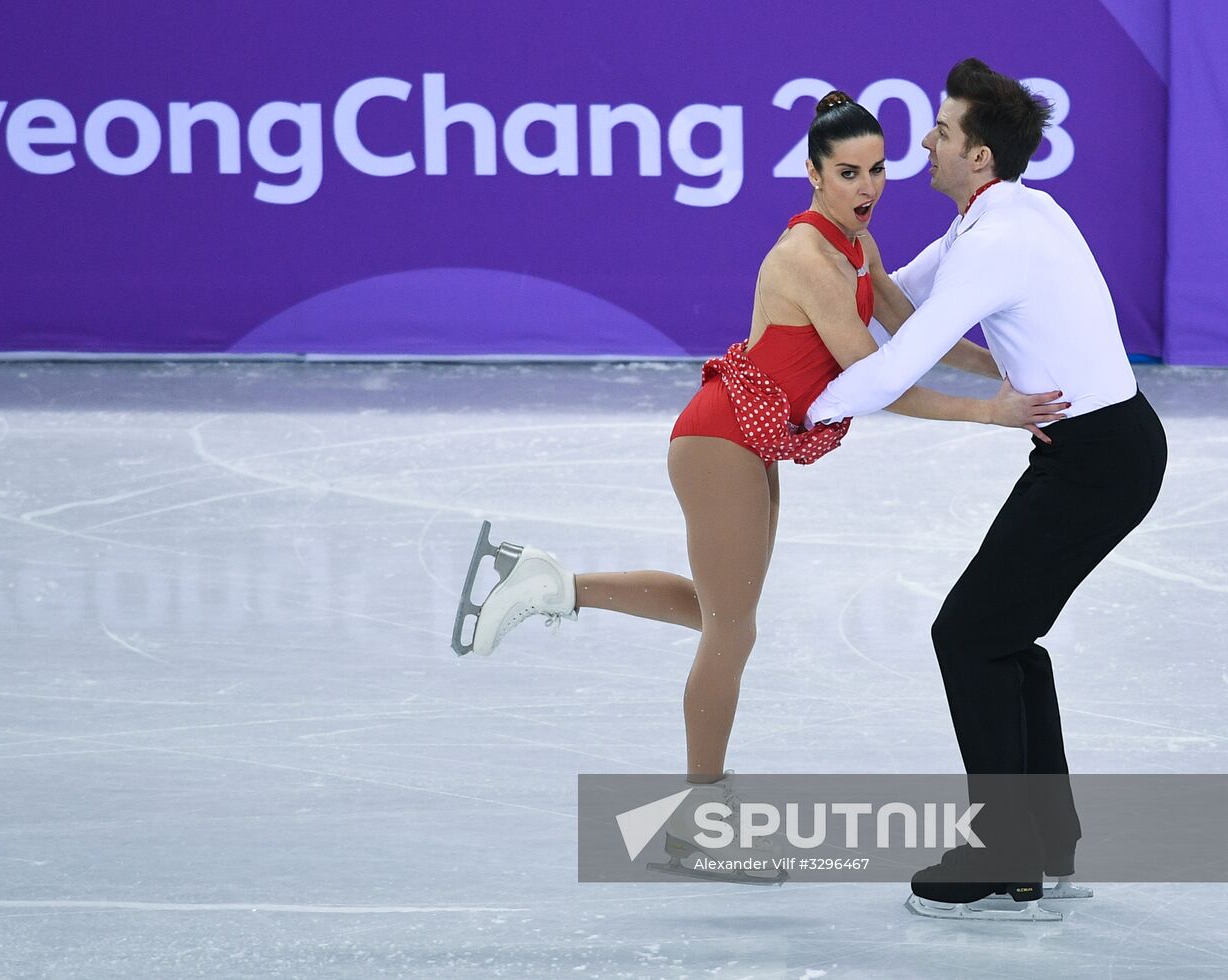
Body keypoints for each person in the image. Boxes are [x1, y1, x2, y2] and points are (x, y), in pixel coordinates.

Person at [451, 91, 1064, 884]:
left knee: (721, 615)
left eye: (877, 170)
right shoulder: (805, 258)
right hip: (719, 442)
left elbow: (915, 327)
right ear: (813, 174)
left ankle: (550, 584)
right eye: (848, 173)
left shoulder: (857, 245)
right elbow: (874, 377)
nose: (867, 187)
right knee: (732, 630)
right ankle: (696, 823)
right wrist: (993, 414)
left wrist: (1004, 361)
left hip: (750, 442)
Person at [803, 59, 1168, 919]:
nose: (924, 140)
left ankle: (1002, 851)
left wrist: (796, 414)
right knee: (1003, 638)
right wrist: (838, 266)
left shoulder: (1002, 238)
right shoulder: (999, 217)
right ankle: (1044, 841)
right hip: (1096, 450)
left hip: (1100, 461)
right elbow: (901, 300)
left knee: (970, 637)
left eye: (941, 128)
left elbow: (900, 358)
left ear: (977, 156)